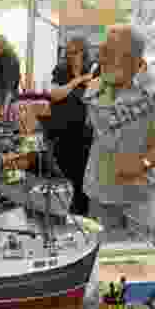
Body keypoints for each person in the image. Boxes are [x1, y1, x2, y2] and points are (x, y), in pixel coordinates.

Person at [83, 25, 155, 244]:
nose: (101, 56)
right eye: (102, 50)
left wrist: (141, 163)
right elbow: (95, 131)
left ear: (132, 58)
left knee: (137, 257)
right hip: (100, 188)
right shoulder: (95, 87)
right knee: (99, 254)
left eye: (109, 51)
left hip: (138, 193)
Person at [42, 36, 96, 215]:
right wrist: (77, 81)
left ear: (84, 53)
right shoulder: (61, 70)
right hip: (60, 132)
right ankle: (62, 213)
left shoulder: (95, 70)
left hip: (85, 134)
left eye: (75, 52)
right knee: (62, 178)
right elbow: (55, 95)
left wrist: (90, 85)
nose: (70, 56)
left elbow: (98, 98)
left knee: (82, 180)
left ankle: (80, 217)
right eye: (68, 53)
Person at [0, 34, 21, 120]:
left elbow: (10, 86)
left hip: (7, 98)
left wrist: (4, 109)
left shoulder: (10, 59)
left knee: (5, 123)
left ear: (0, 47)